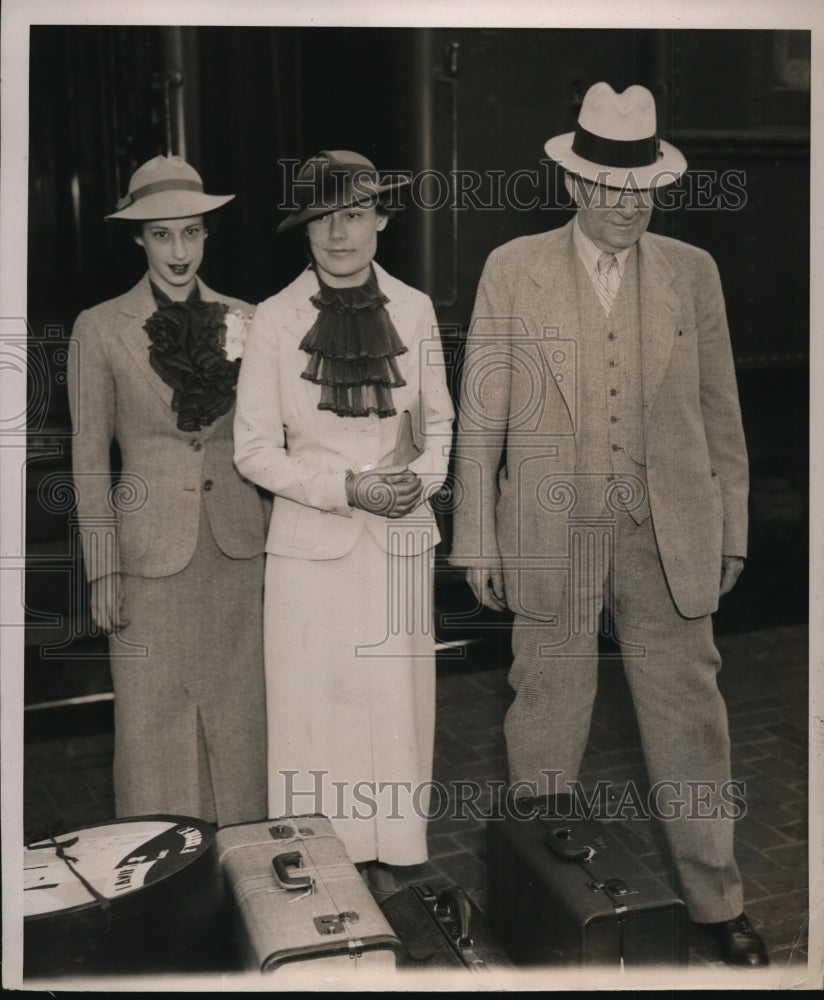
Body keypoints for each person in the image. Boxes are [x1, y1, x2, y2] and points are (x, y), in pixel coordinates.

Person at [449, 83, 768, 967]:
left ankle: (717, 904)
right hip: (552, 527)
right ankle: (546, 895)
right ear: (577, 185)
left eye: (643, 189)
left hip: (671, 529)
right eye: (609, 187)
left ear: (657, 188)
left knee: (691, 720)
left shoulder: (691, 272)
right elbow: (482, 415)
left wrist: (732, 524)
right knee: (547, 710)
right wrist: (475, 531)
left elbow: (721, 410)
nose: (627, 205)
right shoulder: (513, 269)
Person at [233, 150, 454, 897]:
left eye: (355, 215)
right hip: (309, 550)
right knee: (312, 714)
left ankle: (394, 864)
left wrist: (412, 484)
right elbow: (255, 450)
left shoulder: (416, 309)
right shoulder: (273, 318)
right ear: (304, 230)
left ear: (382, 220)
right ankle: (323, 874)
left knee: (393, 711)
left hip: (396, 545)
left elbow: (442, 427)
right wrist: (346, 487)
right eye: (323, 218)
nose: (339, 234)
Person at [67, 155, 268, 827]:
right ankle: (164, 881)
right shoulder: (99, 327)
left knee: (241, 719)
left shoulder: (249, 318)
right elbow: (90, 455)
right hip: (148, 554)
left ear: (208, 234)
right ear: (138, 238)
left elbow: (267, 442)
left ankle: (244, 870)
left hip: (237, 549)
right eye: (161, 234)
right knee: (153, 723)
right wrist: (103, 567)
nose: (179, 251)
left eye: (191, 233)